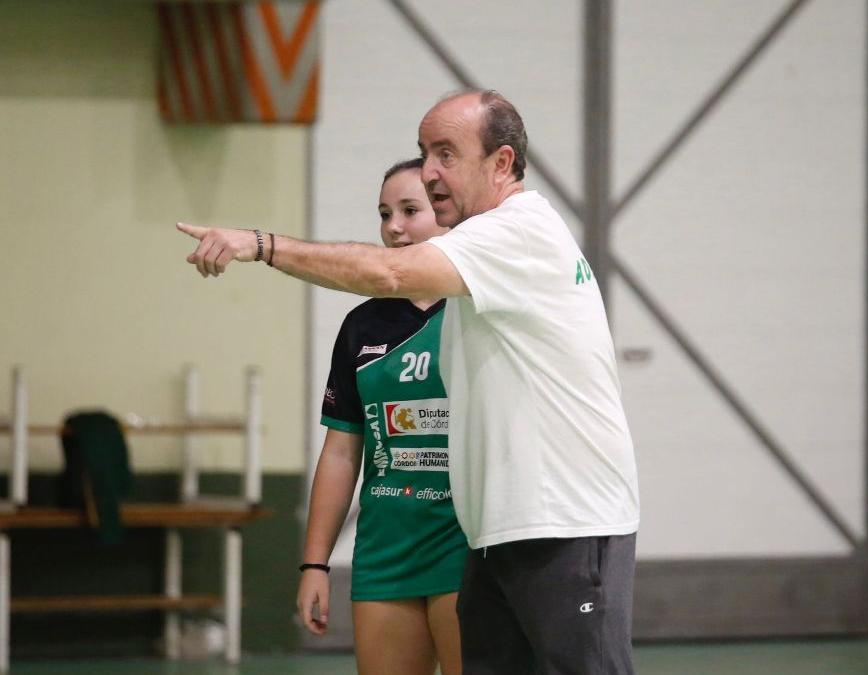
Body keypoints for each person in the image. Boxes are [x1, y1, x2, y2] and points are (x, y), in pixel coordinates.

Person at [178, 89, 640, 674]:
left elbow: (386, 270)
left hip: (565, 525)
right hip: (496, 536)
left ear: (501, 163)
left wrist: (260, 244)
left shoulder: (520, 231)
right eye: (425, 154)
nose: (430, 172)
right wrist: (315, 562)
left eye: (446, 153)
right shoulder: (460, 274)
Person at [296, 158, 465, 675]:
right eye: (384, 213)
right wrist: (315, 564)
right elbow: (342, 451)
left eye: (410, 210)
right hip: (385, 553)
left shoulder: (479, 311)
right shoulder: (361, 324)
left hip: (469, 550)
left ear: (446, 213)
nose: (393, 226)